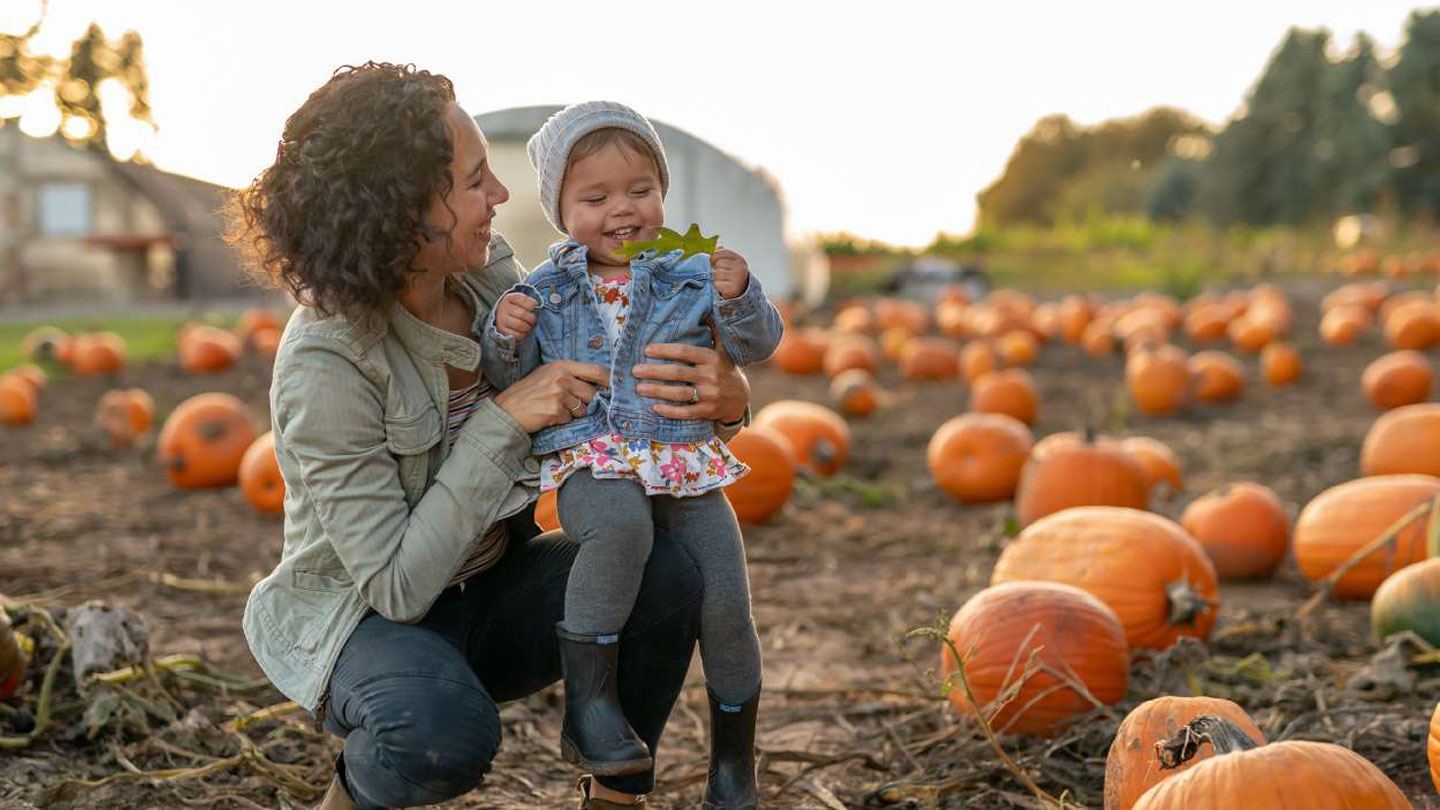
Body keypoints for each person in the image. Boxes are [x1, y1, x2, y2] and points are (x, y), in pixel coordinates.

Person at [228, 63, 754, 810]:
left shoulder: (488, 277)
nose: (501, 197)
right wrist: (506, 422)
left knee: (667, 572)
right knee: (436, 738)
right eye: (477, 180)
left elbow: (617, 376)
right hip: (369, 623)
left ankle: (615, 797)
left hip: (492, 585)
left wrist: (728, 402)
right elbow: (397, 588)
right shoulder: (327, 362)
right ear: (405, 209)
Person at [480, 101, 782, 808]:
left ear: (663, 194)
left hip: (682, 462)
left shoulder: (689, 271)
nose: (623, 210)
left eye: (640, 191)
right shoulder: (545, 290)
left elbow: (756, 344)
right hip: (597, 462)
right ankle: (590, 710)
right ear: (560, 208)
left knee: (727, 606)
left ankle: (734, 763)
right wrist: (504, 332)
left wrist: (740, 298)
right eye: (596, 197)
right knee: (619, 529)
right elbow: (507, 381)